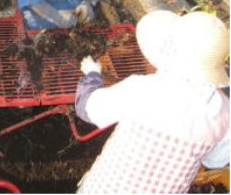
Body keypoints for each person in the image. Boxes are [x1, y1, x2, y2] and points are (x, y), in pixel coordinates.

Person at [75, 10, 230, 193]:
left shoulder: (143, 88)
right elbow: (215, 161)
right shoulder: (225, 112)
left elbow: (88, 109)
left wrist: (92, 75)